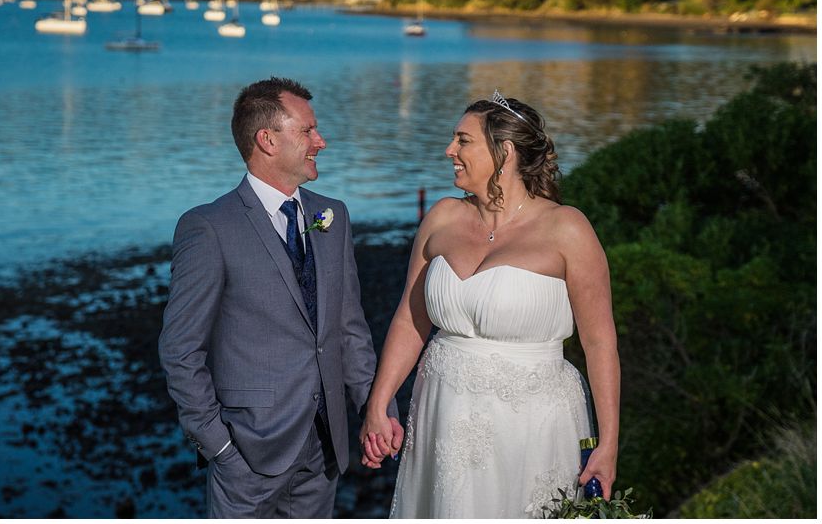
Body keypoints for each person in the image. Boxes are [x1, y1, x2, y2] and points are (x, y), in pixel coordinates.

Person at [359, 90, 620, 518]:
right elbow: (410, 318)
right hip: (442, 410)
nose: (449, 151)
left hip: (532, 422)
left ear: (506, 151)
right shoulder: (441, 217)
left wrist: (607, 445)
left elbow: (600, 343)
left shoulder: (567, 229)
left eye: (463, 141)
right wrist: (378, 403)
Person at [159, 76, 401, 518]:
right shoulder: (209, 227)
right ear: (267, 140)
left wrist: (376, 410)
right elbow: (180, 349)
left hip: (325, 449)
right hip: (248, 452)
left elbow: (349, 329)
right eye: (308, 130)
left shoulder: (334, 216)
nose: (320, 141)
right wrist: (219, 446)